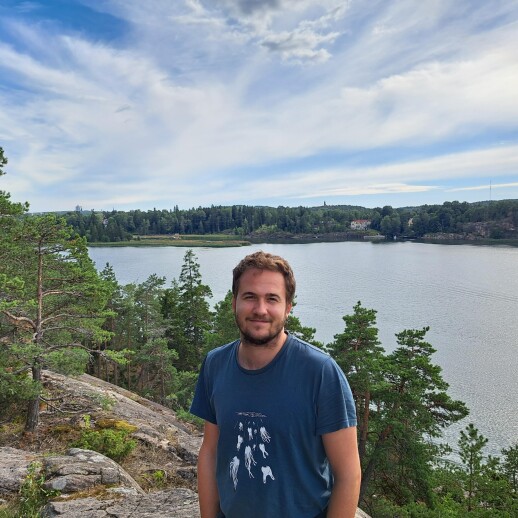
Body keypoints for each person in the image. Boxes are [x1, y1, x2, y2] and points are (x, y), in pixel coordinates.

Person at [190, 251, 361, 518]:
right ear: (234, 302)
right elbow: (210, 452)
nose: (260, 309)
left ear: (288, 307)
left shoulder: (320, 372)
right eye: (250, 297)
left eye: (272, 298)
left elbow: (348, 473)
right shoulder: (215, 364)